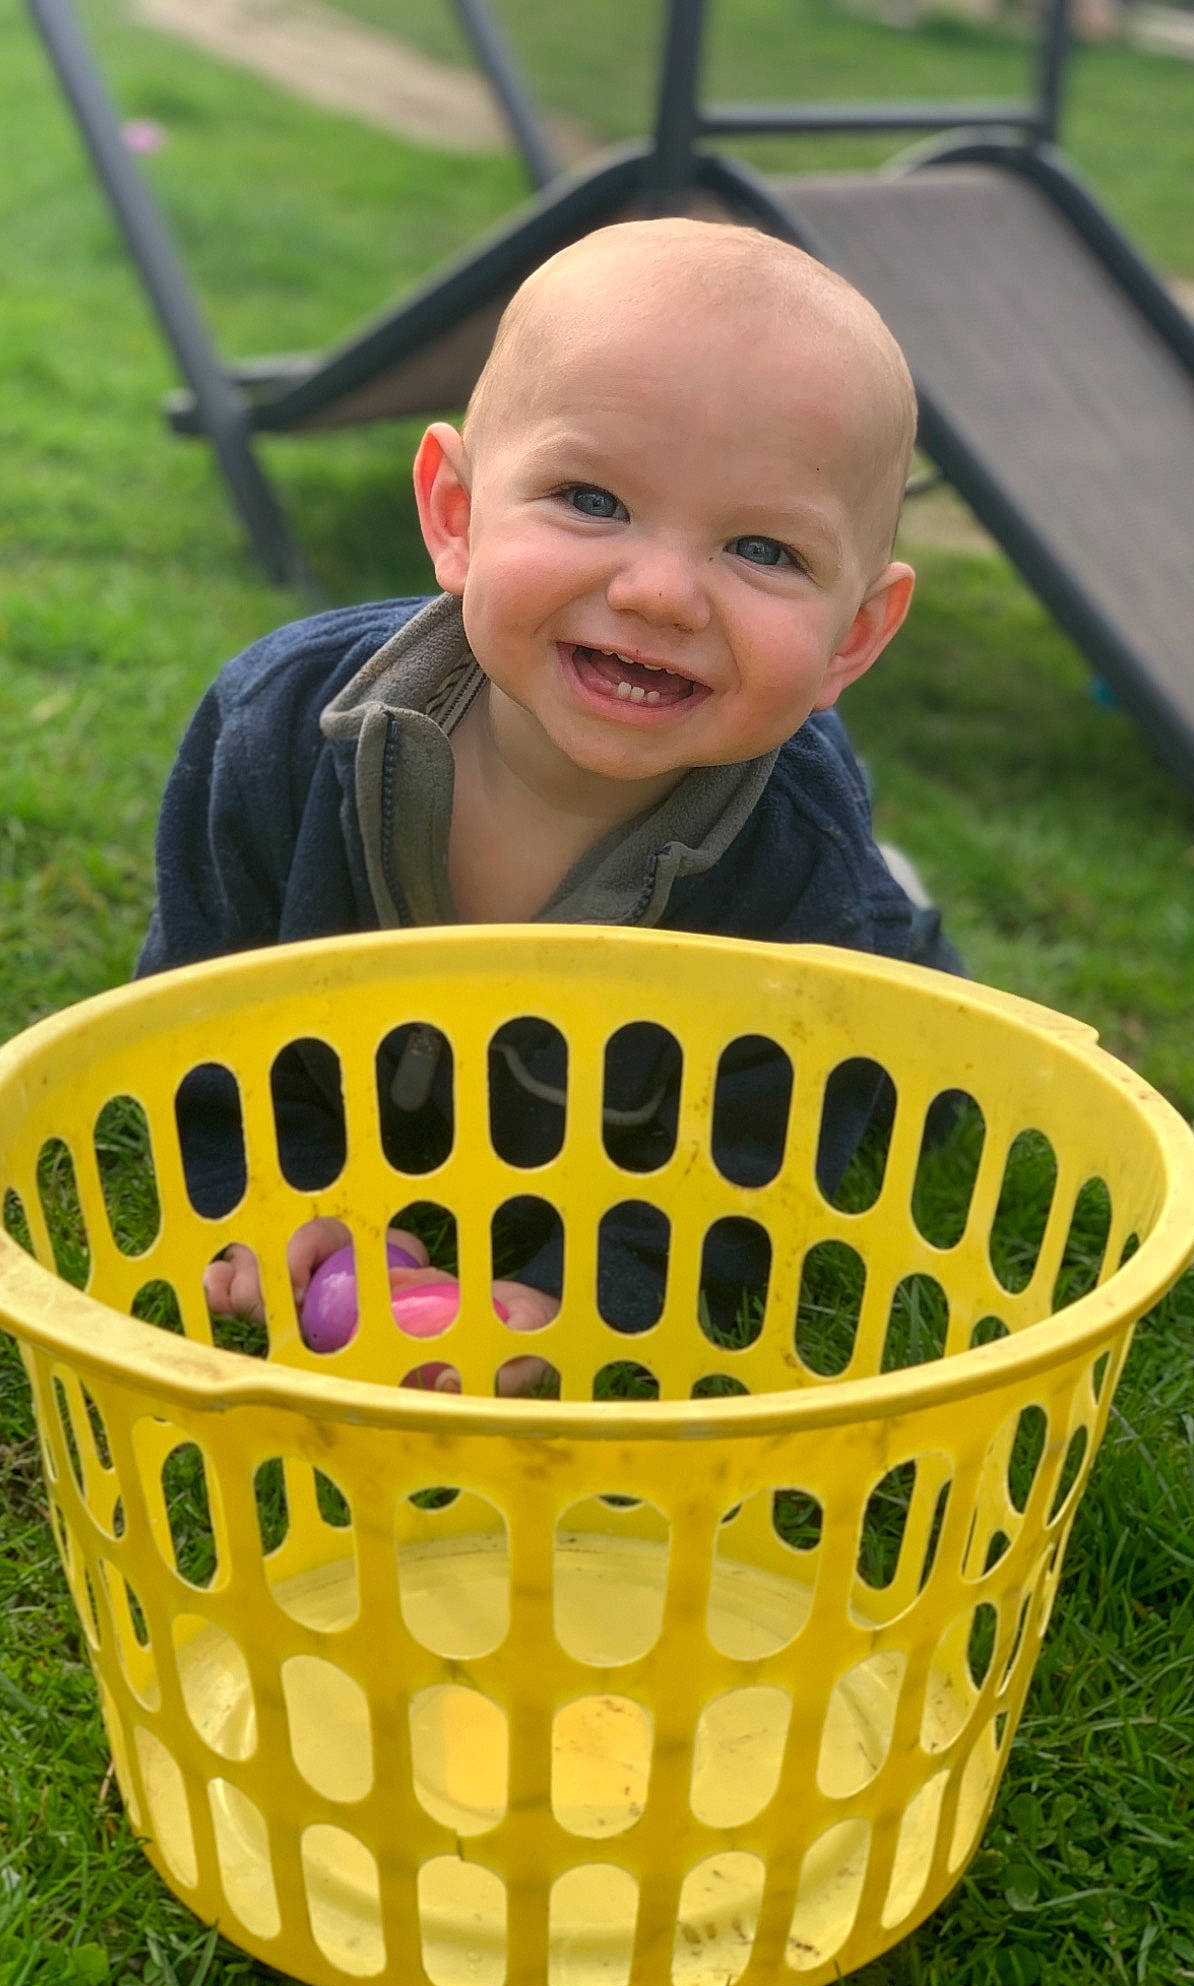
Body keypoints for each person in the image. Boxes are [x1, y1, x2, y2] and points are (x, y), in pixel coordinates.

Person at [135, 218, 959, 1389]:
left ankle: (904, 917)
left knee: (905, 1060)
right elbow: (199, 1017)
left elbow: (760, 1158)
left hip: (803, 965)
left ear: (856, 636)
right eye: (591, 498)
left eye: (764, 550)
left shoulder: (794, 861)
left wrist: (590, 1294)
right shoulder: (276, 729)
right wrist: (277, 1195)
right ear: (457, 514)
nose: (661, 590)